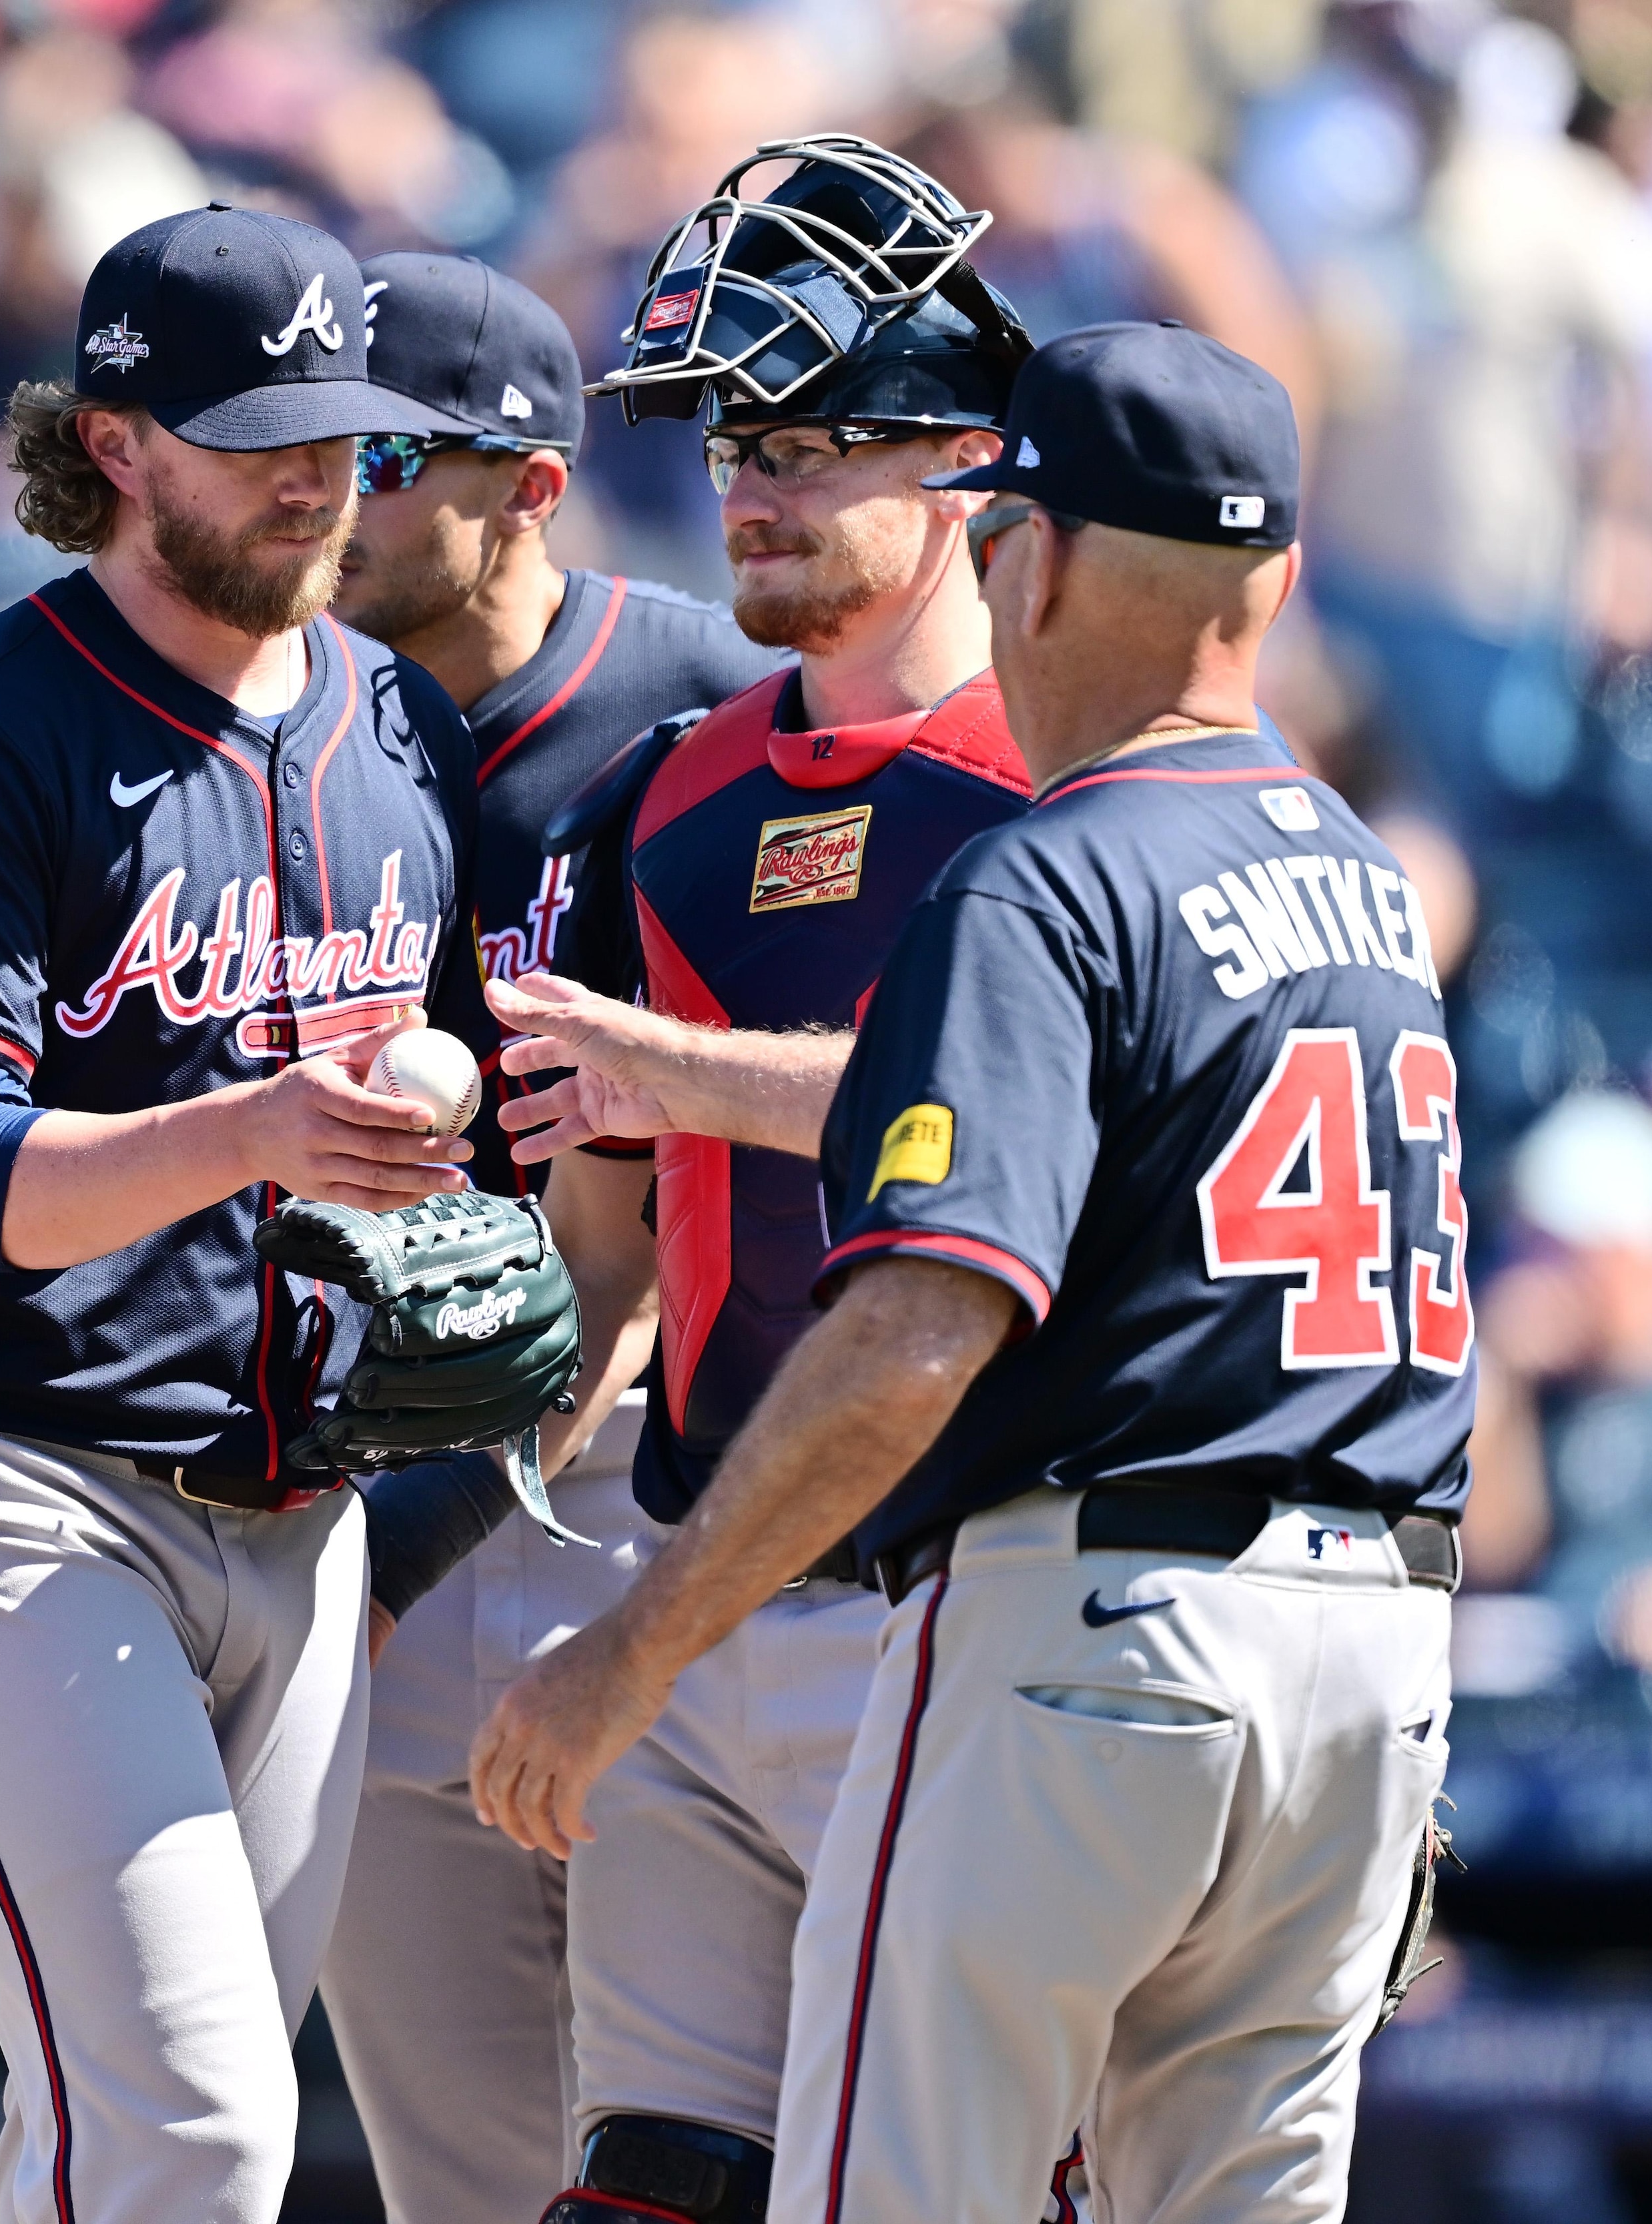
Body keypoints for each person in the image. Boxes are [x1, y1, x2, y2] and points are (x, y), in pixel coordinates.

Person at [476, 319, 1471, 2224]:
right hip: (1374, 1647)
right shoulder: (1366, 872)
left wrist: (633, 1643)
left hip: (1090, 1628)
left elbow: (921, 1324)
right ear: (1266, 575)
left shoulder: (1051, 869)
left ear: (1046, 558)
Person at [0, 202, 497, 2224]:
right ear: (113, 443)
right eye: (257, 427)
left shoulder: (395, 718)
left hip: (304, 1516)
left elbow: (457, 1042)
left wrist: (440, 1080)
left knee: (125, 2146)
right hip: (28, 1490)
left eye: (346, 429)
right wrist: (250, 1128)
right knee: (193, 2128)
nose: (317, 472)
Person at [470, 138, 1040, 2224]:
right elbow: (610, 1235)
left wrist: (665, 1069)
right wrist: (508, 1414)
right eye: (730, 441)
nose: (753, 488)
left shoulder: (1059, 774)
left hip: (964, 1590)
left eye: (808, 439)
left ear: (963, 461)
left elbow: (998, 1109)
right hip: (697, 1575)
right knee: (644, 2186)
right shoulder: (675, 787)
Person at [316, 248, 782, 2224]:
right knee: (462, 2181)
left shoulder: (708, 701)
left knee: (685, 2154)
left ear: (522, 480)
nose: (321, 491)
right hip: (357, 1492)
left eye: (378, 453)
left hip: (642, 1499)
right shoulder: (268, 719)